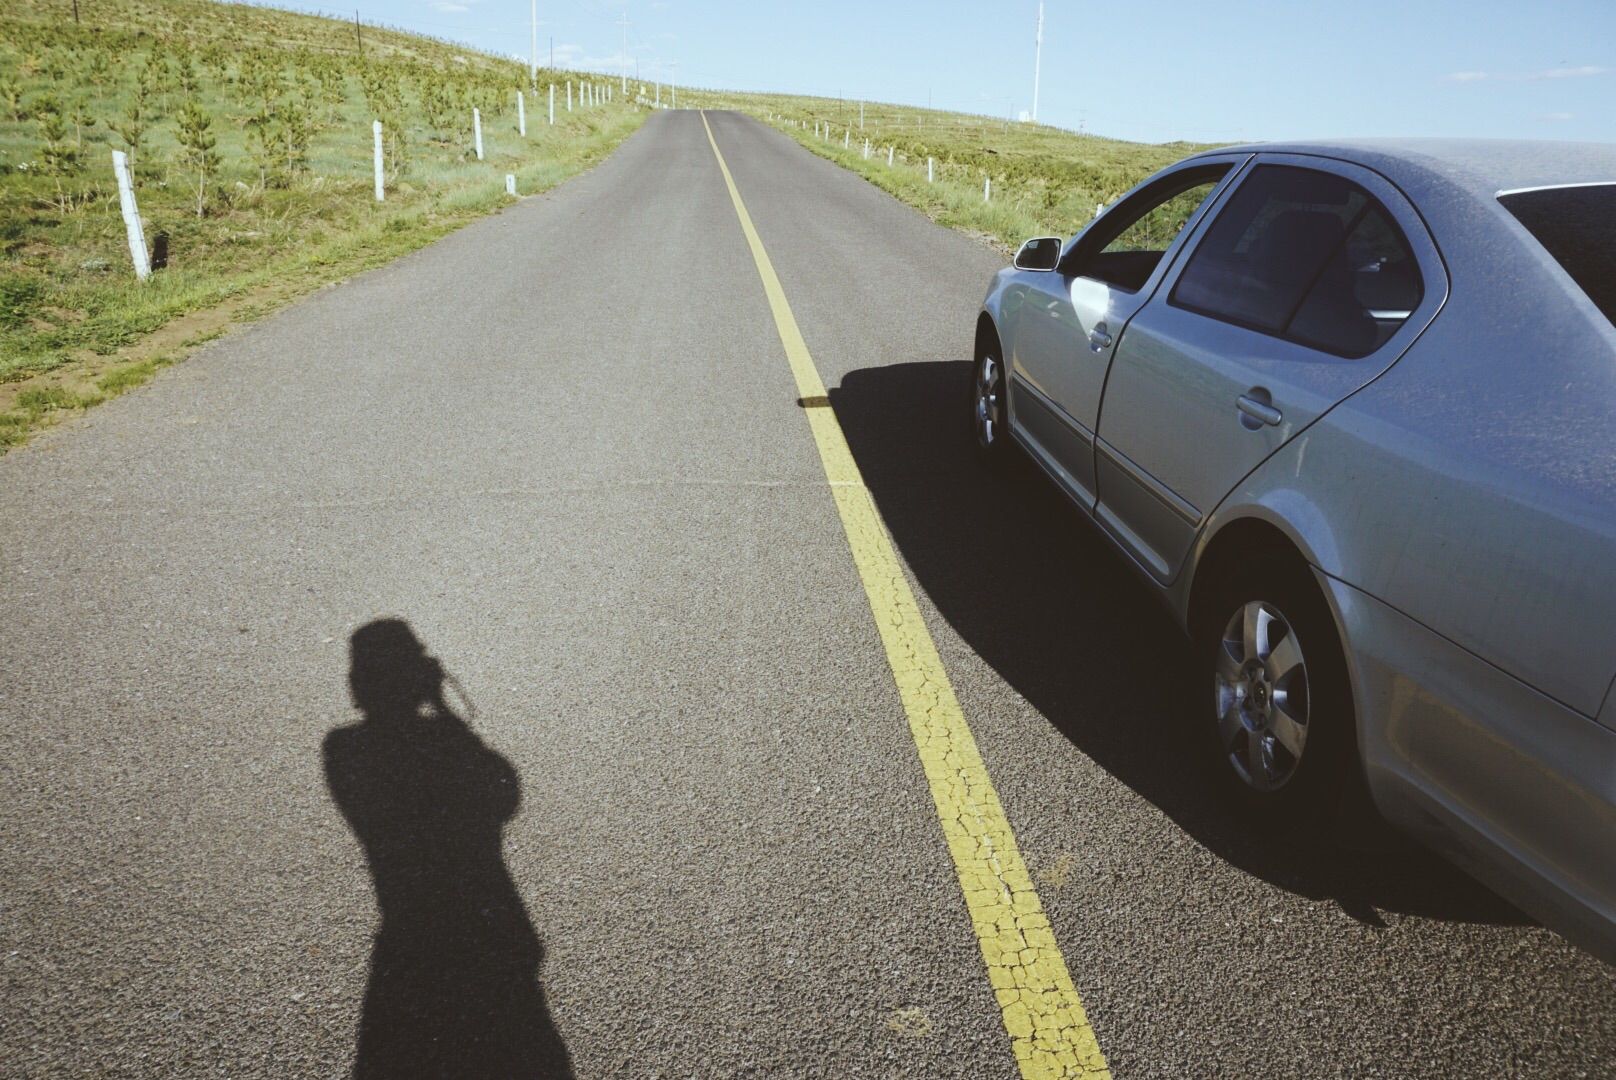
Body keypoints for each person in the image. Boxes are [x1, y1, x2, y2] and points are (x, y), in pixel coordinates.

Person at [324, 619, 571, 1079]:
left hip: (409, 947)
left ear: (358, 684)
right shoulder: (440, 743)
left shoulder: (345, 751)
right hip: (487, 940)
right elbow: (501, 796)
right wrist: (443, 709)